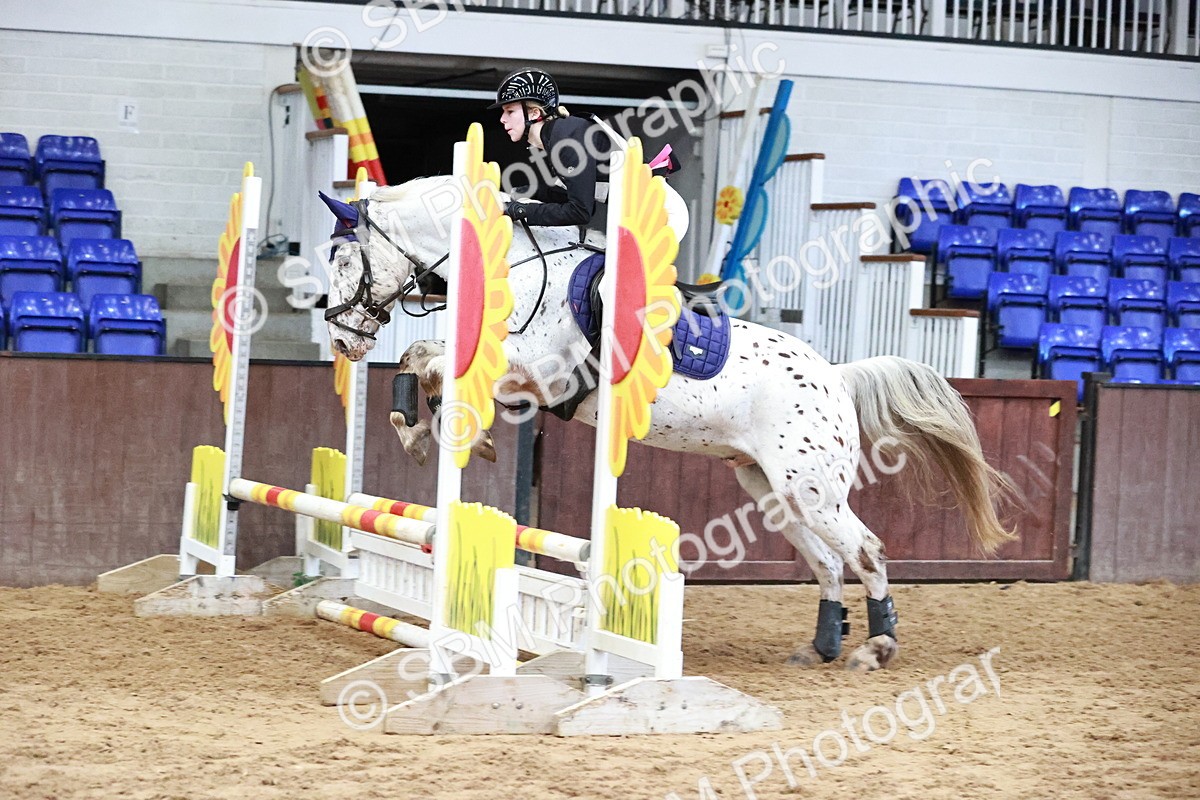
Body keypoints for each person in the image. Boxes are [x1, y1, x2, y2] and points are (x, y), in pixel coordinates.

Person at [490, 67, 609, 230]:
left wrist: (521, 210)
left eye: (510, 111)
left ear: (534, 113)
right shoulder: (558, 135)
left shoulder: (566, 138)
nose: (502, 119)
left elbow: (581, 211)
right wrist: (526, 192)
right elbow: (571, 194)